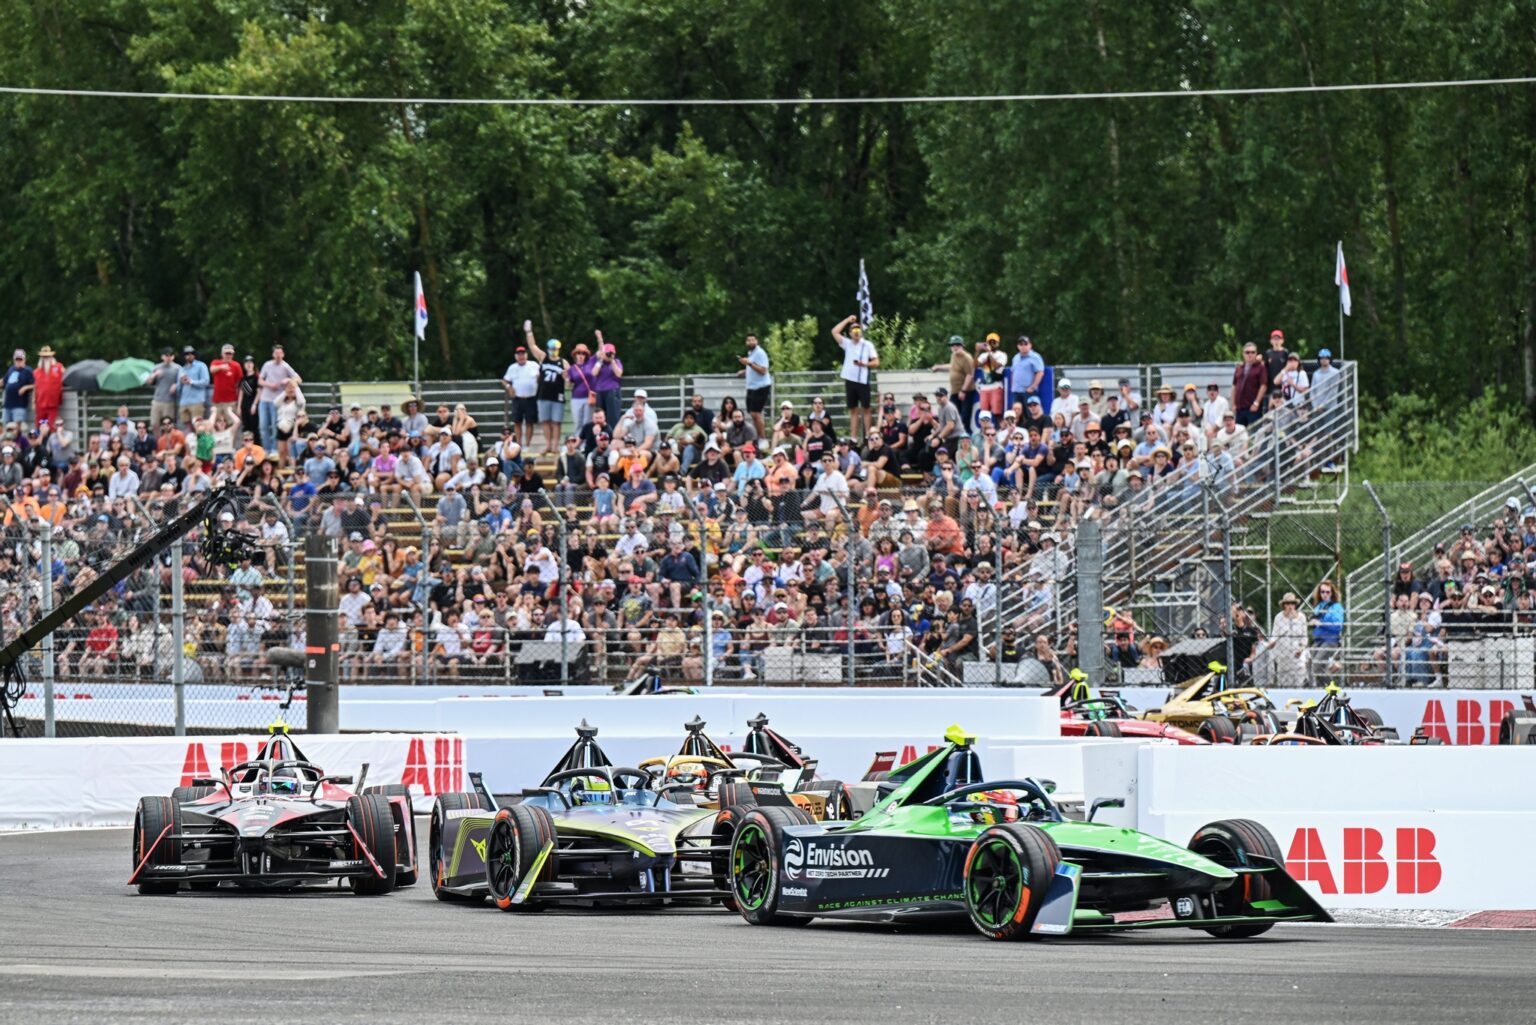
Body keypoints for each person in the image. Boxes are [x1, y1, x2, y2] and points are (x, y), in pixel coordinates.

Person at [832, 315, 878, 443]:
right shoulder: (847, 343)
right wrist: (847, 320)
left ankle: (869, 436)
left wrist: (864, 364)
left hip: (862, 380)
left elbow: (876, 362)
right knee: (853, 409)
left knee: (866, 408)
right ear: (850, 333)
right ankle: (853, 437)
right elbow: (834, 331)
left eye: (858, 329)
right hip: (850, 380)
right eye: (853, 329)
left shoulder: (867, 345)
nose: (856, 331)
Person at [257, 344, 300, 453]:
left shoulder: (285, 366)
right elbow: (260, 381)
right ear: (273, 354)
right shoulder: (267, 365)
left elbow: (298, 378)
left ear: (283, 354)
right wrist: (269, 385)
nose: (278, 355)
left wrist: (288, 380)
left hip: (277, 401)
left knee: (276, 426)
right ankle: (266, 448)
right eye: (276, 353)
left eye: (280, 353)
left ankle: (274, 449)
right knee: (263, 426)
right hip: (264, 399)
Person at [1264, 592, 1308, 688]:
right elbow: (1274, 634)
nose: (1290, 606)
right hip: (1283, 655)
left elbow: (1304, 637)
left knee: (1299, 680)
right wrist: (1271, 643)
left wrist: (1301, 649)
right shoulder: (1279, 617)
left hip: (1297, 655)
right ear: (1284, 605)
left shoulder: (1301, 617)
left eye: (1292, 603)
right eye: (1287, 604)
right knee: (1284, 681)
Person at [500, 342, 540, 449]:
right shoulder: (512, 367)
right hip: (518, 398)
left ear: (526, 355)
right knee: (517, 422)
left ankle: (527, 444)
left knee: (529, 422)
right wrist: (509, 387)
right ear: (516, 356)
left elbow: (540, 376)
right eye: (519, 354)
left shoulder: (534, 365)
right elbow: (504, 381)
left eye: (523, 354)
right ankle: (519, 444)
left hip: (531, 398)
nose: (521, 356)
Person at [932, 336, 976, 430]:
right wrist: (939, 367)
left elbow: (970, 375)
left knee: (964, 418)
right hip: (955, 392)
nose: (955, 347)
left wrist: (963, 390)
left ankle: (965, 439)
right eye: (952, 345)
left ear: (962, 346)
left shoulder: (967, 358)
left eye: (957, 345)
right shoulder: (953, 356)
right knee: (951, 415)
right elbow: (952, 366)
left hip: (966, 392)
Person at [1308, 580, 1344, 685]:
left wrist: (1321, 623)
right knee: (1311, 665)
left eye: (1327, 592)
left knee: (1317, 666)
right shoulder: (1319, 607)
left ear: (1332, 593)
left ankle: (1333, 688)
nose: (1325, 594)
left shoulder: (1336, 607)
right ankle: (1321, 690)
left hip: (1330, 640)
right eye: (1322, 592)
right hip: (1318, 639)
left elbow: (1337, 626)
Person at [737, 333, 772, 439]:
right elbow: (753, 368)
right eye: (748, 340)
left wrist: (749, 364)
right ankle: (757, 437)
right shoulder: (751, 353)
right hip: (751, 388)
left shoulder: (760, 353)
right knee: (753, 414)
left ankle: (762, 440)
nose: (751, 342)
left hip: (760, 387)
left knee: (756, 414)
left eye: (753, 340)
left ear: (757, 341)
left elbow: (763, 370)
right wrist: (744, 372)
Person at [590, 332, 626, 426]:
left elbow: (619, 374)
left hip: (612, 391)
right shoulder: (599, 362)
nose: (608, 355)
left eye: (610, 353)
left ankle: (612, 435)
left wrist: (612, 361)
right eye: (607, 353)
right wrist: (601, 360)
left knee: (613, 417)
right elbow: (594, 372)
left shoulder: (616, 362)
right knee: (600, 416)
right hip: (600, 391)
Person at [1231, 342, 1267, 427]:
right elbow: (1234, 386)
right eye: (1247, 352)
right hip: (1239, 408)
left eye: (1252, 352)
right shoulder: (1239, 368)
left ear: (1256, 353)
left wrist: (1256, 403)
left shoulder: (1260, 367)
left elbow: (1263, 385)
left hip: (1252, 408)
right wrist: (1233, 404)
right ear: (1243, 354)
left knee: (1254, 433)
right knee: (1239, 435)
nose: (1250, 354)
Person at [1007, 335, 1044, 413]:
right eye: (1021, 344)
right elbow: (1013, 372)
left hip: (1028, 392)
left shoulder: (1035, 357)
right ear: (1018, 346)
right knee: (1016, 414)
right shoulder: (1015, 358)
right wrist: (1013, 387)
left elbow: (1040, 373)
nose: (1023, 346)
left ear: (1030, 345)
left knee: (1030, 413)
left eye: (1025, 344)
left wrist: (1032, 387)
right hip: (1016, 391)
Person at [176, 345, 211, 426]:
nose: (189, 355)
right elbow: (178, 388)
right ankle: (191, 439)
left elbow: (206, 382)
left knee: (198, 425)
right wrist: (180, 383)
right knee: (186, 425)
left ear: (194, 354)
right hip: (184, 401)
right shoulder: (182, 369)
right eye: (186, 354)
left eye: (191, 353)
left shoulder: (201, 366)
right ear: (184, 356)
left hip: (197, 400)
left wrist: (191, 382)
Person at [31, 346, 63, 429]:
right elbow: (35, 387)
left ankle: (51, 441)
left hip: (53, 405)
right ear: (41, 358)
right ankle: (41, 441)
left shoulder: (58, 367)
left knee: (52, 426)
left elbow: (66, 377)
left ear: (51, 357)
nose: (46, 358)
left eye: (48, 356)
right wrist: (33, 401)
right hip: (41, 405)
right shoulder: (36, 372)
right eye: (44, 356)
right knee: (40, 425)